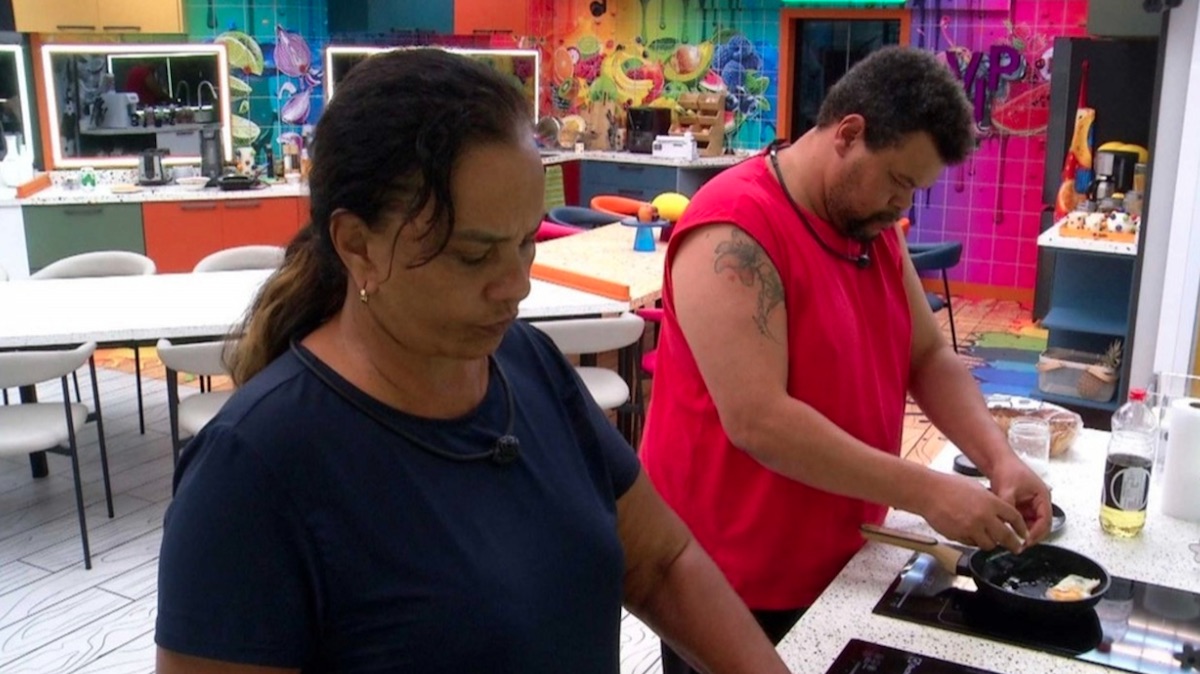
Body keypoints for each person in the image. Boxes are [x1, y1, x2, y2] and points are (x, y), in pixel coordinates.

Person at [155, 48, 792, 674]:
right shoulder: (253, 470)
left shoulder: (529, 365)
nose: (516, 286)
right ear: (358, 246)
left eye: (525, 243)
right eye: (473, 255)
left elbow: (660, 563)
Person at [638, 45, 1053, 673]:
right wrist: (927, 492)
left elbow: (927, 355)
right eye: (898, 181)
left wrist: (1000, 459)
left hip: (840, 559)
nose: (902, 206)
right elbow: (759, 421)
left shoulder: (868, 225)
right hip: (729, 580)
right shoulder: (734, 228)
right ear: (849, 134)